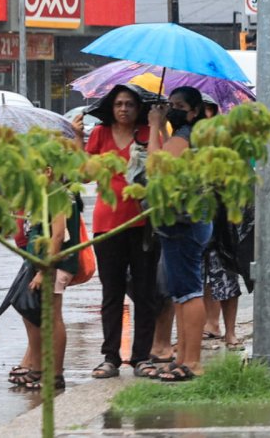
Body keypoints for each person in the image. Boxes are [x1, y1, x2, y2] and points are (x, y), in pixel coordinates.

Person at [76, 85, 161, 380]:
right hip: (107, 224)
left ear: (139, 109)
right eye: (118, 104)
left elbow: (157, 167)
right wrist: (77, 139)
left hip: (142, 223)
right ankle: (110, 357)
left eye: (129, 104)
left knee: (145, 292)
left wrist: (156, 126)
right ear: (111, 108)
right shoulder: (99, 134)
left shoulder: (147, 134)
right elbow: (85, 174)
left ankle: (141, 357)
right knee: (111, 293)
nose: (123, 109)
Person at [147, 86, 213, 382]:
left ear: (195, 110)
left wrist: (152, 128)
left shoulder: (186, 135)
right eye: (169, 104)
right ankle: (184, 356)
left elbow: (156, 167)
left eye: (178, 105)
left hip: (183, 220)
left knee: (189, 291)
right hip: (189, 218)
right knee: (181, 292)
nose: (171, 108)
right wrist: (162, 127)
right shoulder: (189, 136)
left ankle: (193, 361)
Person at [12, 183, 82, 390]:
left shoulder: (56, 194)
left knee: (52, 316)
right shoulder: (44, 192)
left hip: (54, 264)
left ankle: (55, 375)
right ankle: (39, 368)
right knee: (32, 313)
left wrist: (44, 270)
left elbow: (58, 234)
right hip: (40, 262)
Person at [200, 97, 243, 349]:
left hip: (222, 224)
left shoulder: (227, 146)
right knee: (199, 279)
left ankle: (230, 332)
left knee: (225, 277)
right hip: (194, 222)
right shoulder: (186, 142)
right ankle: (208, 324)